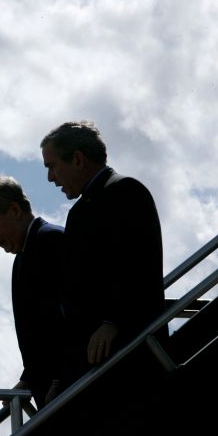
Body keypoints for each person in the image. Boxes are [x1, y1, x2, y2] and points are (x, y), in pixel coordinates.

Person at [39, 120, 167, 392]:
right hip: (96, 363)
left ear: (77, 159)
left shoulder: (124, 191)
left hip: (129, 357)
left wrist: (114, 321)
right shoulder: (81, 210)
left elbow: (140, 266)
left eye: (52, 166)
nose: (51, 178)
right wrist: (62, 375)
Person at [0, 176, 66, 410]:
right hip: (52, 389)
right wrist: (29, 378)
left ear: (14, 210)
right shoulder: (24, 255)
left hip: (69, 386)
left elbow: (73, 317)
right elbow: (39, 330)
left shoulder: (50, 241)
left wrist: (62, 376)